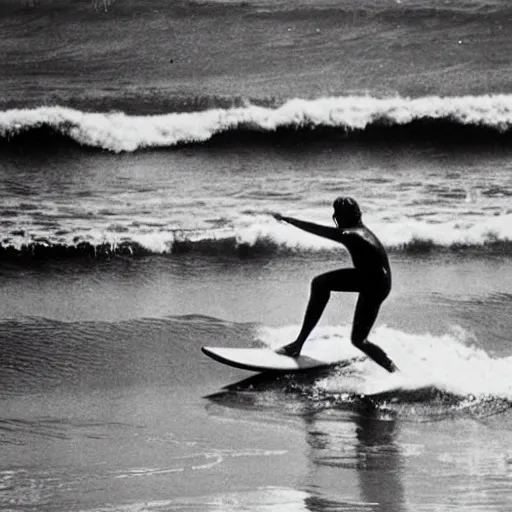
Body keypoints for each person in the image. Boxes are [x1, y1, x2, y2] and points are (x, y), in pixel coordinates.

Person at [273, 197, 398, 373]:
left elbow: (319, 230)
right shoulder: (360, 230)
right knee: (358, 340)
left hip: (373, 282)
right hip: (379, 283)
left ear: (341, 217)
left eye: (338, 216)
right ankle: (394, 371)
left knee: (320, 283)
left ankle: (297, 345)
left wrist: (289, 220)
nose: (337, 221)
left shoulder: (351, 234)